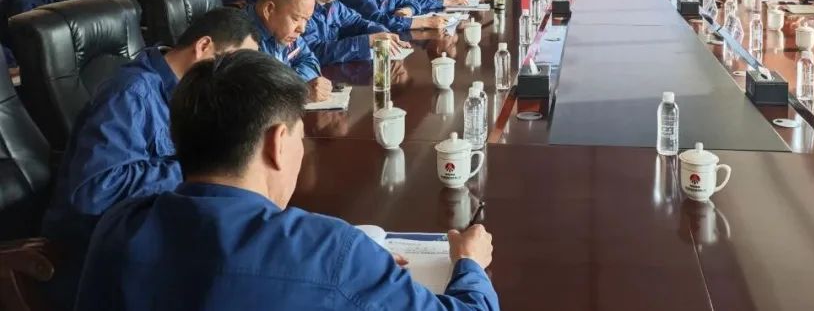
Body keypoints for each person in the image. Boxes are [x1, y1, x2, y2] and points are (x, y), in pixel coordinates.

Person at [75, 51, 498, 311]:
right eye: (300, 135)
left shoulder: (119, 226)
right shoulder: (330, 252)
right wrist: (470, 264)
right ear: (278, 143)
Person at [43, 8, 259, 309]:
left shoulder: (191, 93)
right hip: (101, 255)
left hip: (158, 230)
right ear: (203, 46)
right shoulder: (131, 92)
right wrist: (201, 167)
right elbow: (96, 191)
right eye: (232, 65)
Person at [246, 0, 332, 102]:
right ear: (269, 10)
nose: (302, 29)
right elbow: (255, 94)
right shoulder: (241, 39)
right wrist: (298, 89)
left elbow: (310, 61)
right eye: (296, 18)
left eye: (306, 20)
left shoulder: (285, 32)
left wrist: (294, 84)